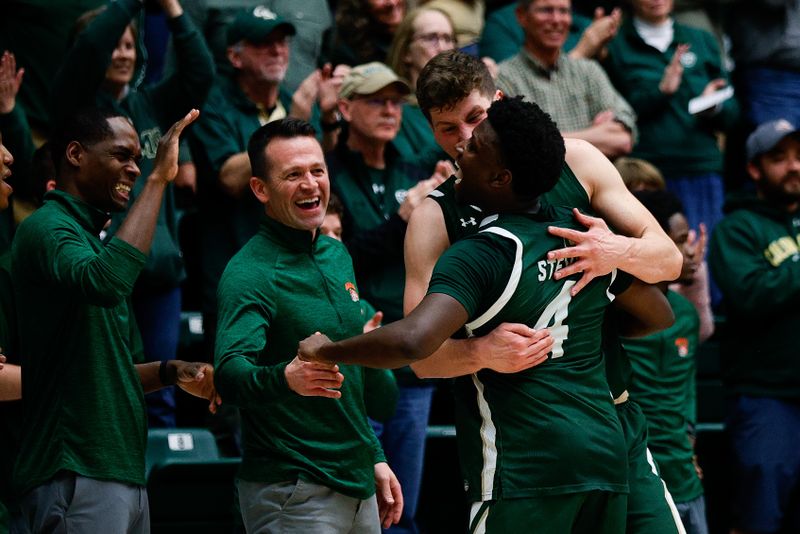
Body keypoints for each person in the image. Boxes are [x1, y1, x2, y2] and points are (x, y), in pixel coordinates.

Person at [299, 96, 670, 531]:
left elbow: (412, 341)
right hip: (604, 454)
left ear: (500, 178)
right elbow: (659, 314)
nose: (461, 148)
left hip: (527, 463)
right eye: (451, 133)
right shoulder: (586, 238)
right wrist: (583, 320)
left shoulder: (481, 253)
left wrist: (327, 351)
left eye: (475, 145)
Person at [410, 50, 686, 533]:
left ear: (498, 101)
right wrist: (480, 351)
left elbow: (669, 260)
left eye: (474, 118)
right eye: (447, 128)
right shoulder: (435, 217)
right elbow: (421, 357)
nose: (464, 139)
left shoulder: (575, 160)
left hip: (611, 418)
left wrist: (612, 250)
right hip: (522, 438)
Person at [10, 107, 218, 533]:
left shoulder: (90, 244)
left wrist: (169, 370)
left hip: (120, 470)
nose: (135, 169)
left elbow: (110, 373)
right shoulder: (47, 228)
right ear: (75, 154)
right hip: (75, 468)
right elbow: (105, 282)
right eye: (121, 155)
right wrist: (160, 179)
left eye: (139, 160)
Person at [213, 117, 403, 533]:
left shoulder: (337, 257)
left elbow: (351, 384)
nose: (310, 184)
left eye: (317, 170)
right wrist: (286, 377)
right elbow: (229, 375)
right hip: (293, 489)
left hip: (357, 483)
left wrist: (371, 454)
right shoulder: (251, 272)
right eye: (293, 174)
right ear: (260, 189)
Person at [53, 0, 214, 428]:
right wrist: (127, 5)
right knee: (102, 390)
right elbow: (88, 48)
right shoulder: (76, 107)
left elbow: (201, 74)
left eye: (130, 45)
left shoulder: (150, 105)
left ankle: (154, 492)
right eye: (115, 44)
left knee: (161, 394)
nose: (123, 53)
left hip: (158, 274)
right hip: (101, 271)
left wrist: (173, 10)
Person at [329, 61, 449, 534]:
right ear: (345, 107)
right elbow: (340, 258)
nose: (389, 109)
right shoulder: (330, 175)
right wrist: (403, 218)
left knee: (405, 506)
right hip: (356, 354)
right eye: (376, 100)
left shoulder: (415, 166)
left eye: (396, 101)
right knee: (359, 503)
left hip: (411, 352)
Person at [192, 7, 343, 358]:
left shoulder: (293, 104)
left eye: (281, 42)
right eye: (263, 44)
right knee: (235, 391)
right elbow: (230, 178)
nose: (277, 51)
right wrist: (292, 122)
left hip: (294, 276)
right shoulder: (214, 106)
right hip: (234, 274)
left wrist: (331, 117)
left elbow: (321, 163)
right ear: (234, 55)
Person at [708, 118, 800, 534]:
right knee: (762, 516)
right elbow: (750, 294)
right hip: (768, 396)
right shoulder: (737, 229)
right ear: (754, 169)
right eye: (779, 159)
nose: (794, 167)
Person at [604, 0, 739, 237]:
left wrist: (713, 107)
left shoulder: (700, 38)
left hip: (700, 166)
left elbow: (733, 111)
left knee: (702, 257)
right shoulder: (616, 44)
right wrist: (660, 92)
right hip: (646, 173)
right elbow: (611, 113)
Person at [624, 189, 709, 534]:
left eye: (687, 239)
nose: (689, 251)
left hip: (686, 475)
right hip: (636, 476)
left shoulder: (686, 314)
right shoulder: (614, 317)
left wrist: (689, 437)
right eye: (677, 242)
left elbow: (687, 389)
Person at [496, 0, 637, 159]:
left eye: (564, 11)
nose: (557, 20)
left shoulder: (588, 70)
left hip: (594, 181)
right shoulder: (504, 77)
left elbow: (623, 139)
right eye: (546, 10)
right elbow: (520, 148)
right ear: (522, 16)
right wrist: (595, 135)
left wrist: (548, 141)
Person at [386, 7, 456, 162]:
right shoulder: (393, 110)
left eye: (448, 38)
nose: (443, 48)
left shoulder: (464, 104)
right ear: (406, 53)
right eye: (431, 38)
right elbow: (409, 169)